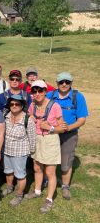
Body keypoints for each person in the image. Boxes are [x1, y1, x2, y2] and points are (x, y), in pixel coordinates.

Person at [24, 80, 66, 214]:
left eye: (40, 90)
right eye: (34, 91)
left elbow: (62, 128)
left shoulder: (55, 106)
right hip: (36, 139)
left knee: (50, 172)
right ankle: (37, 191)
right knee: (37, 167)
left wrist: (50, 127)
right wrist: (31, 117)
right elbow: (30, 114)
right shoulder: (33, 105)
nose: (37, 93)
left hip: (50, 140)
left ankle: (49, 199)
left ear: (45, 91)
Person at [46, 72, 88, 200]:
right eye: (61, 82)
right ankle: (48, 181)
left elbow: (82, 119)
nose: (64, 84)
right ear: (57, 83)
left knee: (65, 162)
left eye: (67, 82)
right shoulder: (50, 95)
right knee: (48, 160)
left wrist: (68, 127)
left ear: (71, 83)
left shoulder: (78, 97)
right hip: (52, 133)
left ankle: (65, 186)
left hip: (69, 134)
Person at [2, 95, 36, 207]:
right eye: (12, 104)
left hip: (20, 152)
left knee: (20, 175)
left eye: (17, 104)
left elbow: (32, 137)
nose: (14, 106)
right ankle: (9, 187)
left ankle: (19, 195)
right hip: (7, 150)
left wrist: (31, 152)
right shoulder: (5, 116)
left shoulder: (28, 119)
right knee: (8, 171)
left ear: (22, 105)